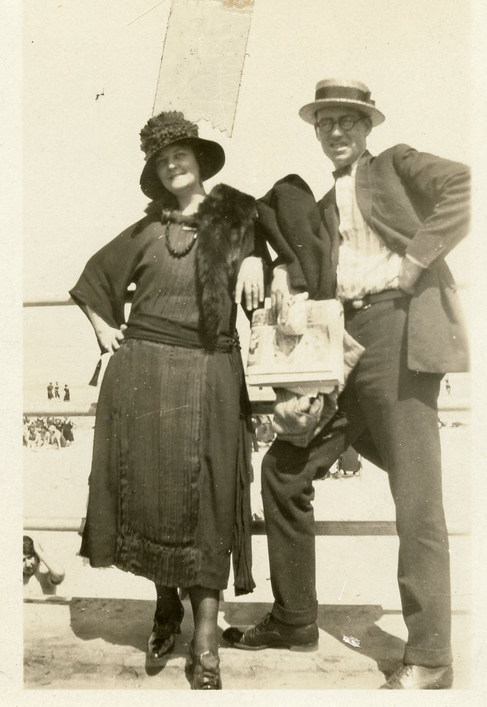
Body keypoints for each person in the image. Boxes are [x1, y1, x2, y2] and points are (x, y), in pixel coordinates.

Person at [224, 79, 470, 690]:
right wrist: (268, 260)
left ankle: (431, 655)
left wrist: (414, 264)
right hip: (341, 346)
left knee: (416, 497)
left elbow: (465, 186)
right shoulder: (323, 206)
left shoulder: (395, 165)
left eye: (348, 121)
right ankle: (295, 618)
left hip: (398, 334)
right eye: (326, 122)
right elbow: (264, 217)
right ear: (315, 130)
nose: (337, 132)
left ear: (368, 128)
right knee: (284, 470)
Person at [69, 111, 264, 690]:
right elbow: (91, 279)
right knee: (151, 495)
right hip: (144, 375)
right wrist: (103, 326)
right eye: (162, 158)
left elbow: (275, 259)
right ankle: (166, 608)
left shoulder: (238, 218)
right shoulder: (146, 229)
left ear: (200, 159)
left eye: (181, 152)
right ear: (156, 170)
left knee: (207, 498)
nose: (173, 162)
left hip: (210, 372)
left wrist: (257, 259)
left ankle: (206, 636)